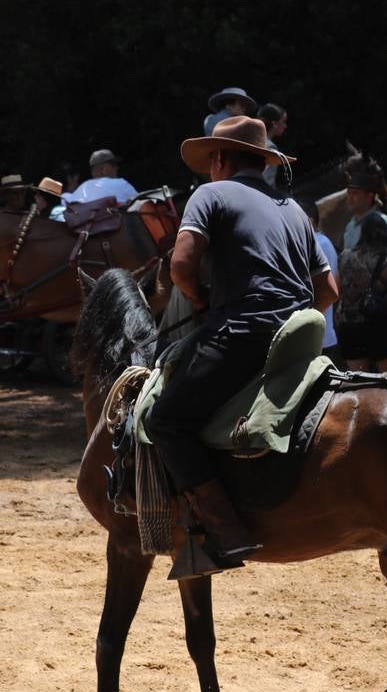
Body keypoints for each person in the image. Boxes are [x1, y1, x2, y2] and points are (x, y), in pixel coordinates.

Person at [144, 115, 337, 576]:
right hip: (298, 336)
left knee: (165, 419)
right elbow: (329, 290)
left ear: (218, 159)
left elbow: (181, 265)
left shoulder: (210, 194)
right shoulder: (293, 209)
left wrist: (201, 299)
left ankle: (226, 532)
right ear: (263, 160)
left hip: (242, 332)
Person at [335, 210, 387, 372]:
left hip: (349, 325)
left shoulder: (344, 256)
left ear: (362, 233)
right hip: (379, 325)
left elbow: (336, 290)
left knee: (359, 383)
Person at [303, 202, 340, 361]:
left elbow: (332, 288)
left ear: (309, 221)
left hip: (319, 338)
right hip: (320, 335)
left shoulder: (319, 243)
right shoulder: (322, 242)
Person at [341, 153, 387, 254]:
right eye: (349, 193)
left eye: (355, 193)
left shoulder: (383, 224)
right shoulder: (350, 226)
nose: (350, 197)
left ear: (369, 196)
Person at [62, 149, 138, 204]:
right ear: (103, 168)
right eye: (113, 165)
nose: (117, 167)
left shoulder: (84, 187)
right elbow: (141, 203)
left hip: (90, 225)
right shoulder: (121, 184)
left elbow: (66, 201)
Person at [257, 102, 289, 187]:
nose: (285, 126)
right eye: (284, 121)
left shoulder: (251, 140)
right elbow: (267, 181)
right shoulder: (270, 147)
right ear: (274, 124)